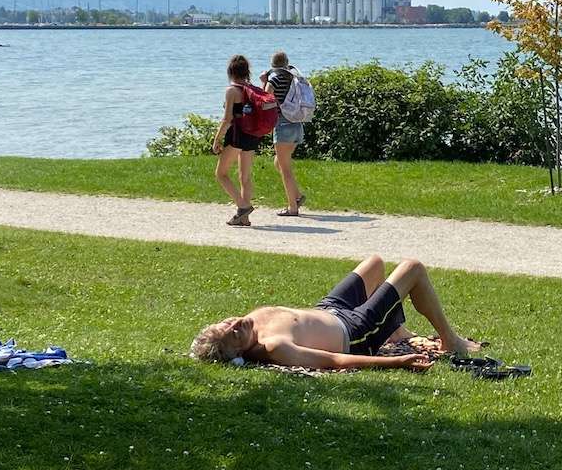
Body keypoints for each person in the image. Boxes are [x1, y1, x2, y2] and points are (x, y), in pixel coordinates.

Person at [190, 255, 482, 370]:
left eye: (226, 323)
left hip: (331, 309)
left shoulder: (249, 324)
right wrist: (396, 363)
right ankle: (450, 340)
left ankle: (396, 332)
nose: (236, 324)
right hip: (355, 331)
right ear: (242, 351)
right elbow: (333, 360)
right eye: (235, 334)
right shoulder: (274, 347)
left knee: (374, 264)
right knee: (413, 269)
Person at [211, 54, 260, 227]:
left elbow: (227, 120)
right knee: (244, 177)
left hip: (236, 136)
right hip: (252, 135)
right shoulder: (251, 88)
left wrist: (217, 139)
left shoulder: (231, 91)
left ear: (230, 72)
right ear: (247, 72)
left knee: (221, 173)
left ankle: (243, 207)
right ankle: (244, 219)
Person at [260, 50, 305, 217]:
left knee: (284, 168)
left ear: (272, 65)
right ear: (286, 63)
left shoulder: (274, 79)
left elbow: (264, 99)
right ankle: (298, 196)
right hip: (296, 124)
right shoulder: (293, 78)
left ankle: (292, 207)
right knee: (279, 163)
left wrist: (264, 82)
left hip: (283, 125)